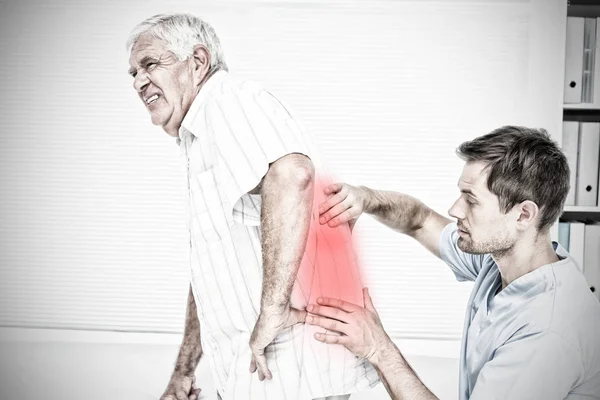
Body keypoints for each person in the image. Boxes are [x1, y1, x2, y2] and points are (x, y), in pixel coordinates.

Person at [126, 13, 379, 400]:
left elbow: (293, 174)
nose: (139, 81)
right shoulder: (202, 131)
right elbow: (212, 270)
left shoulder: (227, 101)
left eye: (150, 65)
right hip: (263, 375)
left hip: (291, 375)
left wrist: (274, 309)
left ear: (197, 62)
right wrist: (184, 369)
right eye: (133, 73)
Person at [307, 126, 600, 399]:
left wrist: (377, 348)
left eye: (471, 200)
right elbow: (419, 221)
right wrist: (365, 198)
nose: (454, 209)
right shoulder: (500, 262)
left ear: (523, 215)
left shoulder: (547, 330)